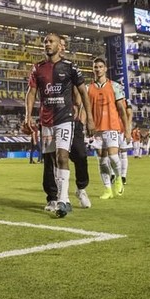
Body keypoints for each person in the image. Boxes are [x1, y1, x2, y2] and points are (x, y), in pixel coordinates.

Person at [23, 32, 94, 218]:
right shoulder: (37, 68)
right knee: (52, 160)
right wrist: (27, 116)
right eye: (45, 41)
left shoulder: (70, 67)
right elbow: (31, 93)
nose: (47, 44)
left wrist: (90, 118)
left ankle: (63, 200)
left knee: (63, 156)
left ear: (59, 46)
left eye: (51, 41)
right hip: (46, 121)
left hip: (65, 119)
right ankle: (60, 198)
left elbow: (83, 92)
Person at [86, 57, 131, 200]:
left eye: (100, 67)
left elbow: (122, 110)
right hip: (96, 129)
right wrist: (86, 125)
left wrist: (127, 130)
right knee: (102, 160)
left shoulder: (115, 86)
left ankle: (118, 177)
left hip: (112, 126)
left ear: (105, 69)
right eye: (95, 67)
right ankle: (107, 189)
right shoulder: (89, 88)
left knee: (113, 157)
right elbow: (84, 109)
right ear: (93, 69)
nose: (98, 69)